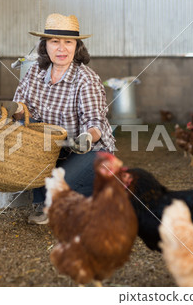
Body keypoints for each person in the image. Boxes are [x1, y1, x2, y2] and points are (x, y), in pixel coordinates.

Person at [11, 13, 115, 224]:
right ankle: (52, 202)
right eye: (54, 41)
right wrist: (11, 109)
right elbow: (22, 109)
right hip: (54, 149)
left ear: (77, 47)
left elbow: (95, 122)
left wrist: (87, 137)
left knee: (58, 183)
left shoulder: (86, 78)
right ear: (44, 45)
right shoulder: (34, 74)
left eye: (68, 42)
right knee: (30, 157)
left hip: (89, 150)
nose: (61, 48)